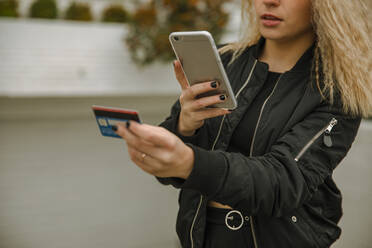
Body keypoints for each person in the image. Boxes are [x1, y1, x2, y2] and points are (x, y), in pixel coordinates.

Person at [112, 0, 372, 247]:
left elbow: (282, 182)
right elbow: (168, 168)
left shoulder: (338, 90)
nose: (269, 1)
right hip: (199, 238)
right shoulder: (225, 61)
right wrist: (184, 125)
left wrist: (190, 163)